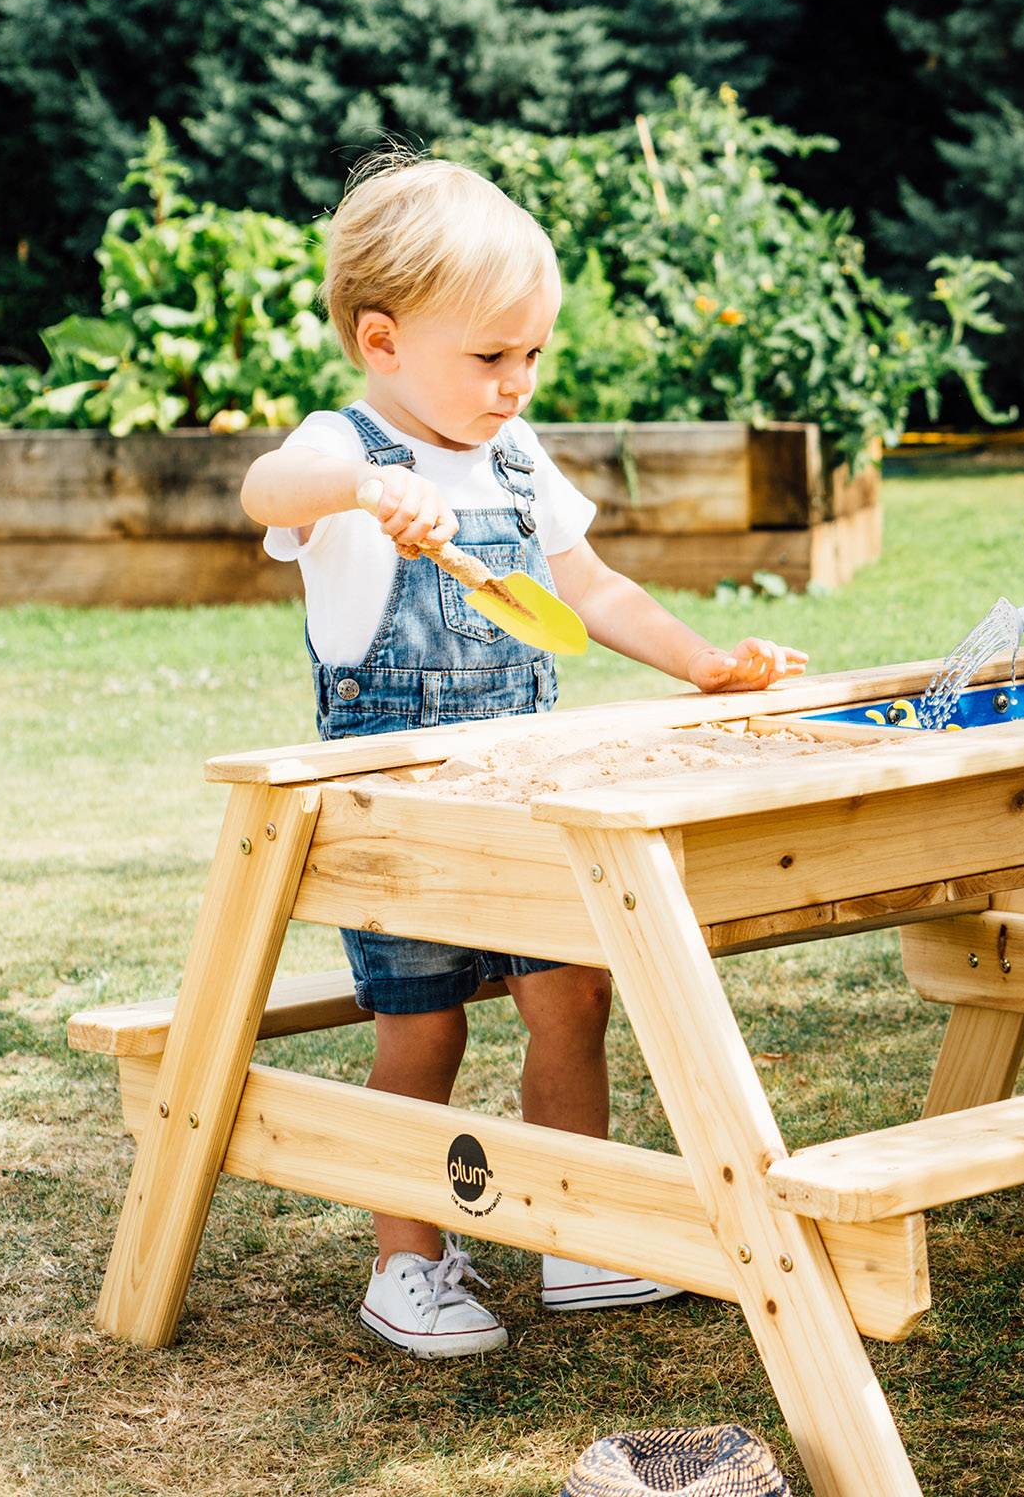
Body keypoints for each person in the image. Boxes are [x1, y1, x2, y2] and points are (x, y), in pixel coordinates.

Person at [240, 154, 808, 1356]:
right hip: (401, 816)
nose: (515, 383)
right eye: (490, 357)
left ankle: (576, 1233)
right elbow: (261, 487)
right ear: (383, 341)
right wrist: (356, 484)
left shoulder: (512, 456)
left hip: (531, 799)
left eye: (531, 355)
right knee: (427, 1026)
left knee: (572, 995)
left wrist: (703, 661)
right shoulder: (338, 452)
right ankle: (408, 1259)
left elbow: (588, 584)